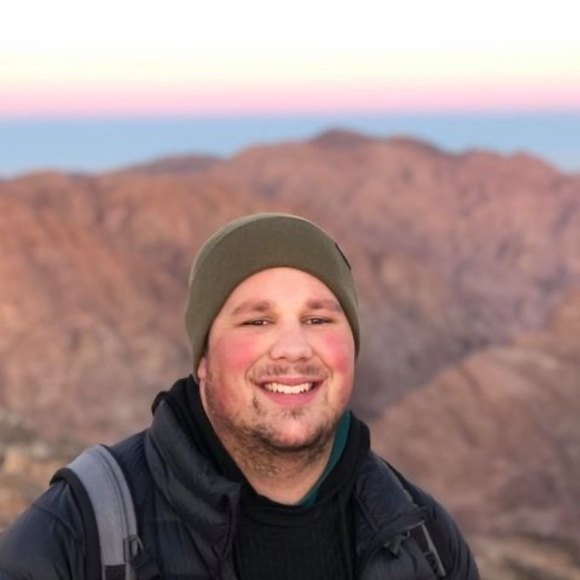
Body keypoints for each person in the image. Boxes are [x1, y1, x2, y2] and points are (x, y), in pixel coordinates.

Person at [0, 212, 480, 579]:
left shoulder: (423, 540)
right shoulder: (73, 535)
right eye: (257, 321)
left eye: (318, 319)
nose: (293, 348)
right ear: (203, 358)